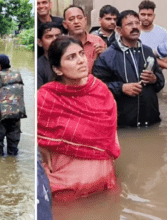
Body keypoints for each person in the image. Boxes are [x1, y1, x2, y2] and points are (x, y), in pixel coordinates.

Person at [38, 36, 121, 201]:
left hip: (102, 181)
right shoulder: (45, 98)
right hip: (65, 187)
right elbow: (39, 143)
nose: (81, 61)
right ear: (57, 69)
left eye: (81, 54)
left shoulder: (100, 90)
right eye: (71, 57)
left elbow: (111, 136)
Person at [93, 10, 165, 127]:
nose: (135, 27)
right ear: (119, 30)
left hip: (151, 122)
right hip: (123, 124)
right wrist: (121, 88)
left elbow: (160, 82)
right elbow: (97, 87)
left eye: (137, 23)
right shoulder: (107, 56)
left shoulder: (147, 51)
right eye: (129, 24)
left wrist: (155, 79)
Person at [63, 5, 107, 74]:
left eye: (80, 18)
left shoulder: (98, 40)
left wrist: (105, 54)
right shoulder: (61, 44)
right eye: (71, 19)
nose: (76, 22)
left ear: (85, 20)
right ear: (65, 24)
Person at [37, 22, 63, 89]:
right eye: (49, 37)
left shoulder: (73, 60)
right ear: (40, 42)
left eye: (58, 36)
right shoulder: (39, 67)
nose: (55, 39)